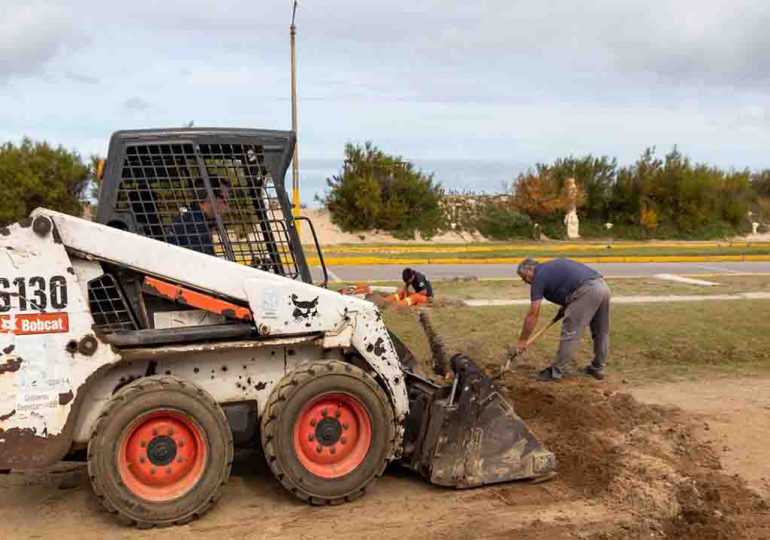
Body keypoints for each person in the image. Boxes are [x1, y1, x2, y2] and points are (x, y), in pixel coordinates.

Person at [516, 257, 610, 382]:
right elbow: (569, 283)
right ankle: (598, 368)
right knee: (601, 332)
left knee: (570, 333)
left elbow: (533, 313)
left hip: (587, 291)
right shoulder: (549, 268)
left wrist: (523, 340)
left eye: (524, 277)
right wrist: (565, 307)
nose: (525, 282)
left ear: (531, 269)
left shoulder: (538, 275)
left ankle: (555, 372)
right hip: (602, 287)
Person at [170, 179, 230, 256]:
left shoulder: (194, 221)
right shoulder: (194, 228)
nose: (227, 208)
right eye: (224, 200)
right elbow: (205, 265)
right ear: (208, 197)